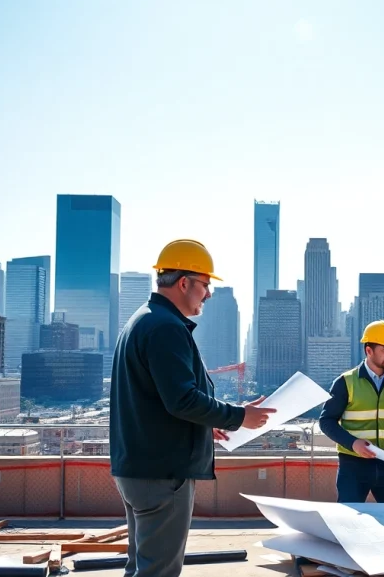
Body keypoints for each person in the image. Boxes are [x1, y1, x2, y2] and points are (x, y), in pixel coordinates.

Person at [109, 239, 275, 577]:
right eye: (205, 284)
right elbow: (182, 399)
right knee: (158, 572)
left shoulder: (142, 321)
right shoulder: (165, 328)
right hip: (162, 474)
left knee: (140, 568)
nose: (209, 294)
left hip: (139, 468)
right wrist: (240, 416)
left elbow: (157, 401)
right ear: (184, 283)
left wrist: (202, 425)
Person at [318, 320, 384, 503]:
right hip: (353, 465)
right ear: (368, 350)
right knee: (349, 523)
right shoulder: (346, 382)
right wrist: (353, 443)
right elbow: (326, 421)